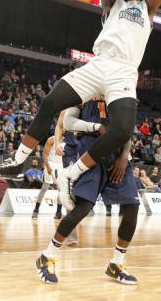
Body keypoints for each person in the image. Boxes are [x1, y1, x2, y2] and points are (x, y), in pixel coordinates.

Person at [0, 0, 161, 217]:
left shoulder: (147, 10)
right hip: (99, 64)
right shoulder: (113, 5)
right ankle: (19, 160)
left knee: (122, 129)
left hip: (124, 72)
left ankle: (72, 174)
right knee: (49, 103)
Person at [36, 98, 140, 286]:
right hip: (91, 152)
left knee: (132, 206)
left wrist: (124, 155)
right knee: (82, 208)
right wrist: (96, 127)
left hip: (118, 156)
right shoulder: (85, 90)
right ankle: (47, 256)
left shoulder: (121, 91)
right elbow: (67, 122)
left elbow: (126, 129)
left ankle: (116, 263)